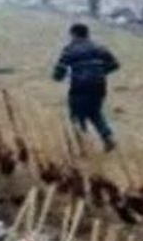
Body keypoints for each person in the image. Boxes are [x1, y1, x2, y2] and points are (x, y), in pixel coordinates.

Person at [51, 23, 120, 152]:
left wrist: (57, 77)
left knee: (77, 116)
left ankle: (83, 146)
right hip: (99, 86)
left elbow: (59, 71)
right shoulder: (99, 48)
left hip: (79, 86)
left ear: (73, 34)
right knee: (95, 113)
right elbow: (115, 64)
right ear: (87, 34)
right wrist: (101, 72)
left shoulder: (69, 49)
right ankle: (108, 138)